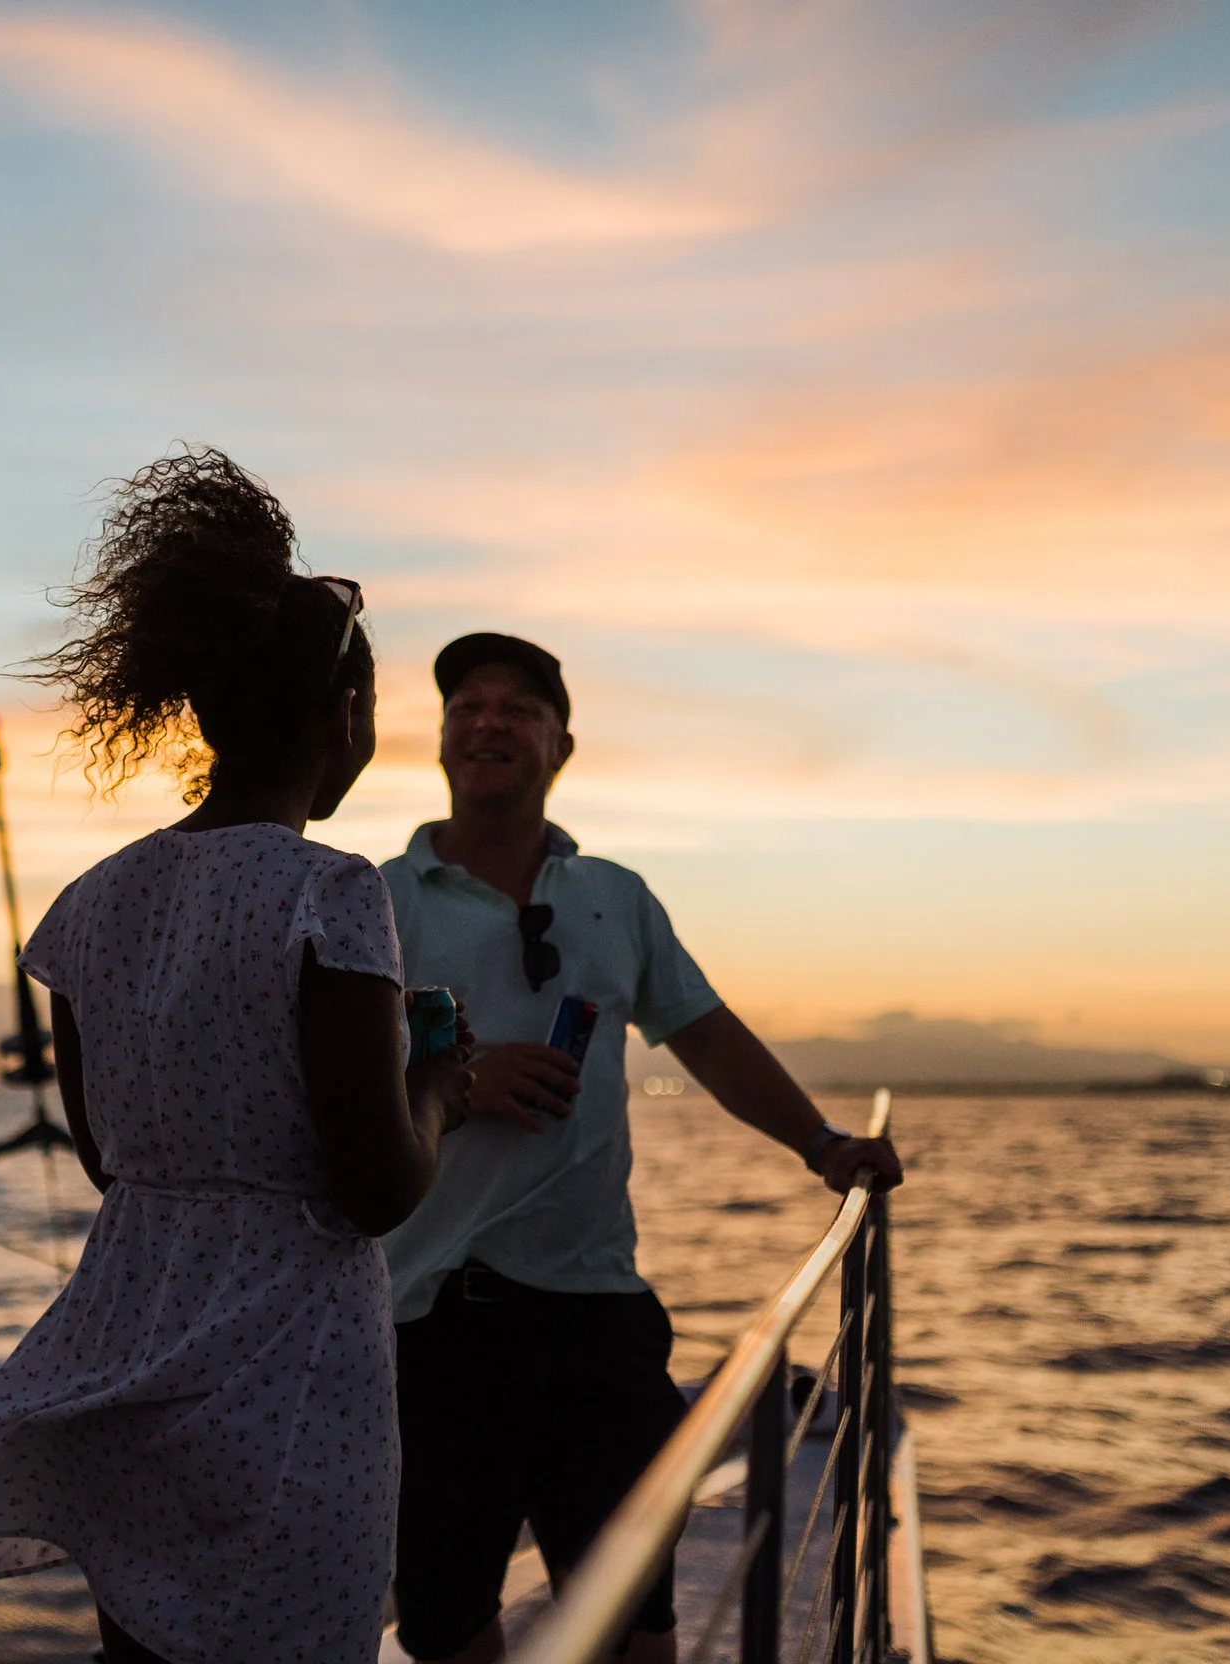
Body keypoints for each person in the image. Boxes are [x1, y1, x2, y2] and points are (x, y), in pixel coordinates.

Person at [0, 450, 477, 1664]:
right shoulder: (332, 891)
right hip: (293, 1379)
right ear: (346, 720)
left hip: (135, 1358)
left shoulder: (90, 905)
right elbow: (374, 1185)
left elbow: (110, 1156)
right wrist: (437, 1084)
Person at [380, 632, 904, 1664]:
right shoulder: (374, 900)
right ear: (439, 740)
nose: (487, 720)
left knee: (634, 1616)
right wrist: (453, 1085)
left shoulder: (614, 895)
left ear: (560, 745)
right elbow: (323, 1083)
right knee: (444, 1620)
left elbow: (704, 1032)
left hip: (593, 1307)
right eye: (466, 705)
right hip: (428, 1313)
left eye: (517, 707)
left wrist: (823, 1142)